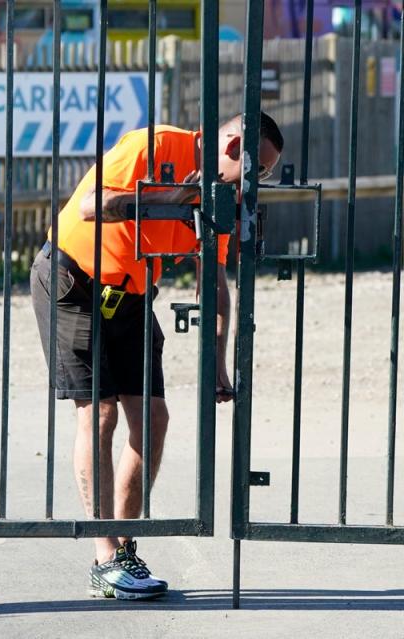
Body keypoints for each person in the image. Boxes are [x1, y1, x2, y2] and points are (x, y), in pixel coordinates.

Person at [30, 113, 284, 600]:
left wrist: (217, 364)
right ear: (232, 149)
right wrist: (165, 200)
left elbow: (215, 284)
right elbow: (88, 207)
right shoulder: (154, 146)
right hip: (73, 278)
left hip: (130, 292)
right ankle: (104, 556)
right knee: (99, 412)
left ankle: (123, 548)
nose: (259, 184)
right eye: (259, 171)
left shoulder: (221, 200)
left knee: (153, 418)